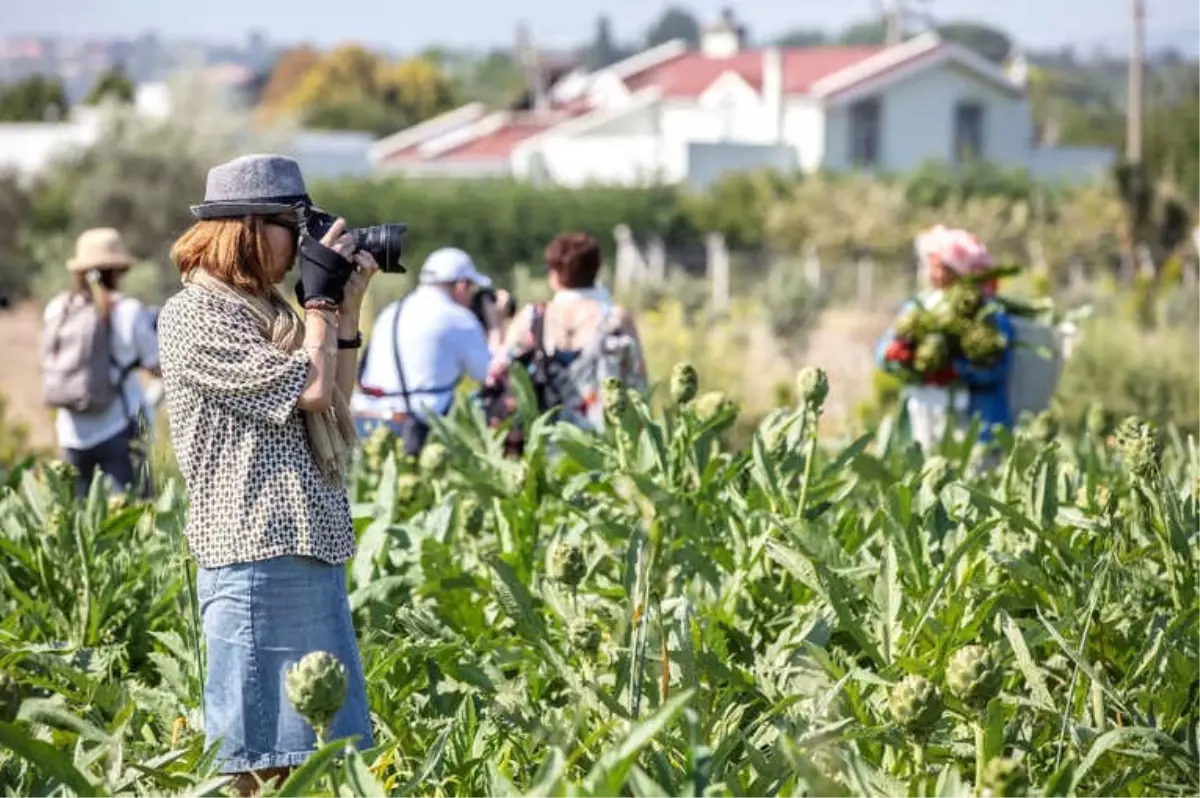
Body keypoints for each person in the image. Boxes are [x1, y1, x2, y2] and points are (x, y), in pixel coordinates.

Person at [158, 154, 377, 792]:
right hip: (252, 551)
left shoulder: (271, 311)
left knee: (317, 754)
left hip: (306, 542)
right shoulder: (196, 315)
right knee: (256, 759)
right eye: (295, 226)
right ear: (248, 228)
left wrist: (346, 307)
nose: (306, 243)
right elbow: (308, 390)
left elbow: (335, 393)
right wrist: (318, 300)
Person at [488, 231, 647, 444]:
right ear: (596, 270)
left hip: (544, 443)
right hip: (603, 444)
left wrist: (494, 324)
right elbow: (639, 386)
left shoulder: (533, 317)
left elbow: (497, 371)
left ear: (554, 274)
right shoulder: (616, 320)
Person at [42, 227, 160, 498]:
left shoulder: (56, 308)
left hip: (70, 433)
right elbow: (157, 367)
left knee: (83, 526)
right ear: (117, 271)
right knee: (136, 521)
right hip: (118, 430)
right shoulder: (129, 311)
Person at [875, 225, 1014, 453]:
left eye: (940, 267)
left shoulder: (989, 313)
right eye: (931, 265)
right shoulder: (918, 306)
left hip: (972, 422)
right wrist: (893, 354)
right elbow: (883, 350)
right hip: (922, 415)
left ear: (960, 270)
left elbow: (999, 367)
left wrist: (957, 370)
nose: (933, 273)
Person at [350, 247, 499, 456]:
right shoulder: (458, 318)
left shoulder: (393, 310)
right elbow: (487, 373)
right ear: (462, 285)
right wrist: (494, 328)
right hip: (414, 429)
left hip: (364, 419)